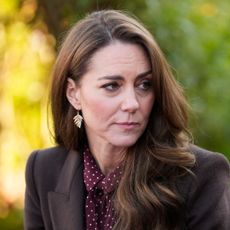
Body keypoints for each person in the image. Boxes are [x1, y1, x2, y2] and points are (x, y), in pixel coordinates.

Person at [24, 10, 230, 230]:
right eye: (112, 86)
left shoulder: (201, 175)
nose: (132, 103)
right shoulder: (43, 170)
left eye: (144, 85)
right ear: (74, 94)